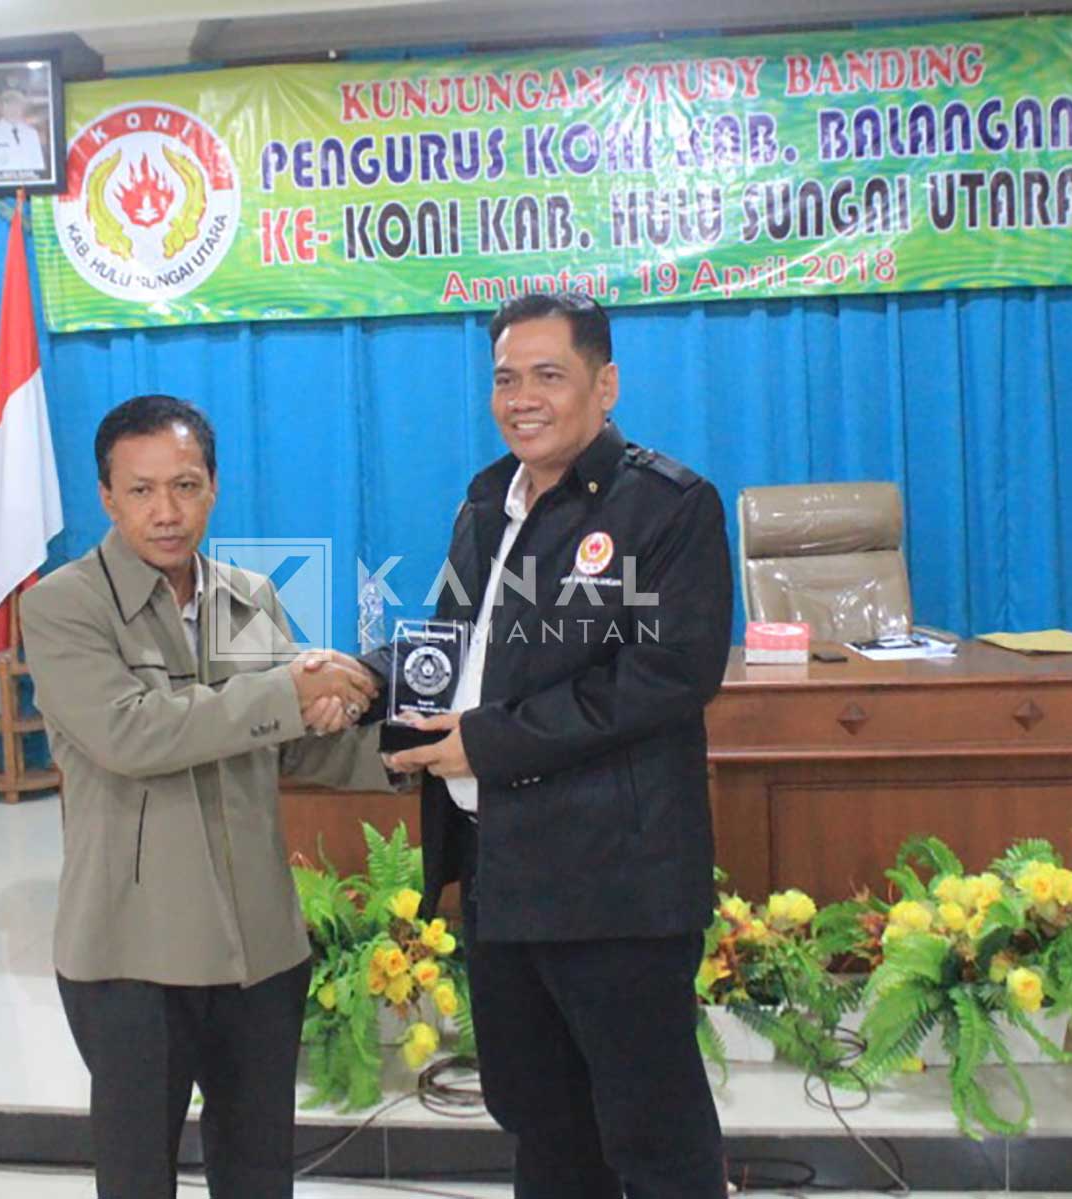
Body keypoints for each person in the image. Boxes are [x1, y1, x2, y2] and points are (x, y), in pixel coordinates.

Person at [369, 294, 734, 1197]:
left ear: (605, 386)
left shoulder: (668, 506)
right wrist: (365, 677)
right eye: (505, 378)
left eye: (547, 375)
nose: (521, 398)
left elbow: (664, 676)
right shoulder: (487, 501)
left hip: (616, 882)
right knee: (540, 1122)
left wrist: (489, 743)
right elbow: (457, 645)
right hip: (501, 872)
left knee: (654, 1135)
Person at [21, 394, 387, 1199]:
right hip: (131, 954)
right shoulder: (62, 606)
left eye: (185, 485)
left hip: (261, 947)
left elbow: (295, 740)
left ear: (213, 487)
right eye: (141, 489)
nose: (166, 511)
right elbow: (132, 733)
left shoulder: (248, 596)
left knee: (259, 1170)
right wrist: (289, 691)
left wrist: (420, 746)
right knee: (137, 1175)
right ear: (106, 496)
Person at [0, 84, 46, 175]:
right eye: (8, 103)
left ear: (23, 107)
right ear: (1, 107)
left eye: (17, 103)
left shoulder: (32, 134)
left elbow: (39, 168)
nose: (13, 108)